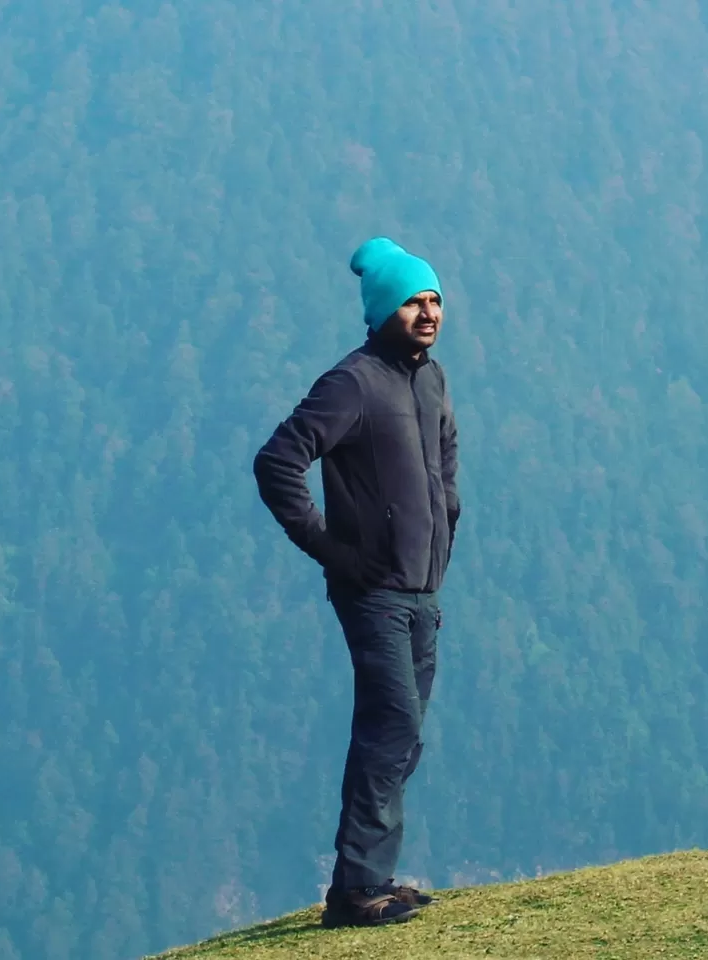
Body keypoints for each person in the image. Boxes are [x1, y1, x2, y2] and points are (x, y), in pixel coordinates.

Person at [253, 237, 460, 928]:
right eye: (412, 301)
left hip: (422, 588)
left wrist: (446, 529)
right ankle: (353, 895)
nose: (428, 312)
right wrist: (332, 551)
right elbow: (279, 461)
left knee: (404, 732)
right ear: (382, 310)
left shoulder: (429, 379)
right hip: (372, 591)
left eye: (433, 298)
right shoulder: (353, 383)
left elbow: (445, 463)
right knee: (391, 725)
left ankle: (370, 876)